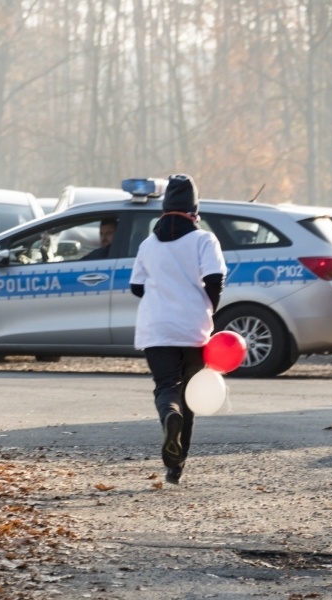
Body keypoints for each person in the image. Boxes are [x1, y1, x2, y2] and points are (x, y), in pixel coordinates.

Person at [129, 174, 226, 484]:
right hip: (193, 328)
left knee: (166, 387)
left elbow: (136, 287)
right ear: (193, 210)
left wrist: (161, 295)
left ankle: (169, 415)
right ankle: (177, 465)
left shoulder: (148, 244)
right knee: (190, 396)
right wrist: (208, 307)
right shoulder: (204, 240)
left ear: (164, 209)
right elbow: (214, 280)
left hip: (156, 328)